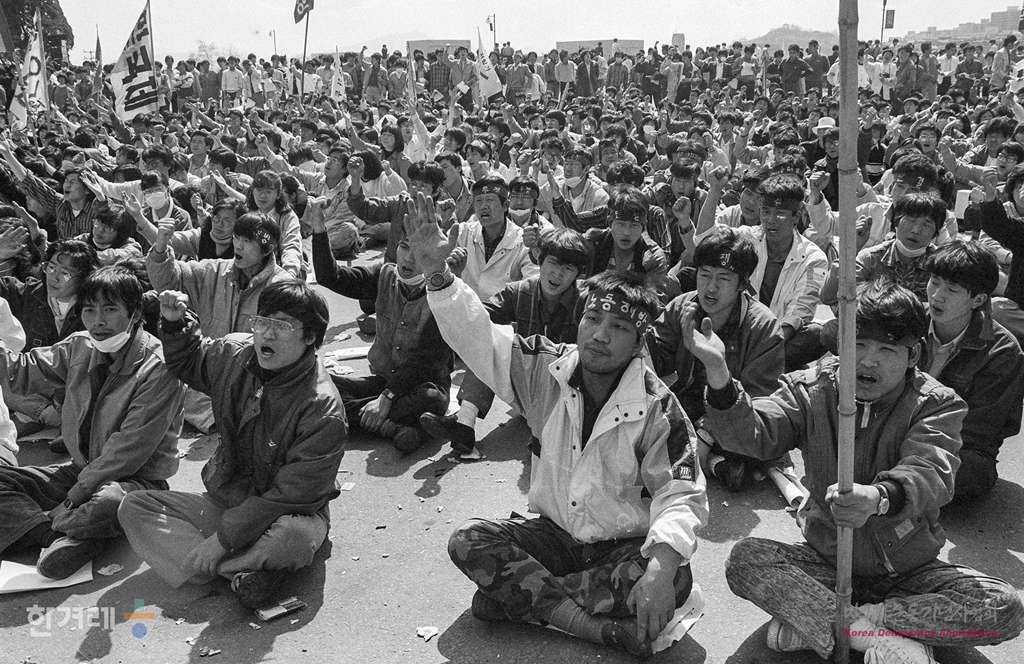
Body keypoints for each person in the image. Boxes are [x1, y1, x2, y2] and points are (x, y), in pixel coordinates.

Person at [404, 193, 708, 658]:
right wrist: (439, 276)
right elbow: (481, 337)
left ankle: (525, 598)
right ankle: (593, 627)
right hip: (555, 536)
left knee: (676, 575)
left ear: (638, 343)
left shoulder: (657, 406)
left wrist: (661, 568)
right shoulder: (544, 368)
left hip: (620, 547)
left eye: (618, 328)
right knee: (469, 541)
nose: (600, 335)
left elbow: (681, 494)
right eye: (593, 319)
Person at [692, 281, 1024, 662]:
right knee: (746, 560)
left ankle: (840, 624)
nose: (868, 361)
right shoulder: (812, 390)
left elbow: (932, 470)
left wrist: (879, 498)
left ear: (914, 354)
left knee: (1003, 605)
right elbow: (753, 434)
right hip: (826, 562)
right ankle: (874, 637)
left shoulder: (936, 404)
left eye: (886, 350)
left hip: (907, 571)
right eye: (859, 344)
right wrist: (720, 378)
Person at [119, 281, 346, 610]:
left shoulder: (323, 408)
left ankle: (219, 565)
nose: (267, 334)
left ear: (310, 337)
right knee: (134, 506)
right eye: (262, 322)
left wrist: (221, 541)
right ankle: (244, 572)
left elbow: (293, 495)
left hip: (286, 515)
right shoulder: (234, 354)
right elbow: (189, 362)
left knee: (293, 539)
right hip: (228, 500)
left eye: (282, 326)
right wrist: (175, 323)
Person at [0, 266, 185, 579]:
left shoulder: (159, 368)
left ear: (135, 313)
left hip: (133, 480)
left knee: (111, 502)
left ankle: (46, 530)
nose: (98, 321)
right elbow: (24, 370)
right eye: (89, 310)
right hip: (80, 469)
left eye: (110, 309)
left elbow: (127, 451)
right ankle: (56, 536)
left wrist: (72, 500)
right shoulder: (81, 345)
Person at [421, 227, 591, 458]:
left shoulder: (588, 303)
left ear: (578, 274)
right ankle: (464, 423)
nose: (558, 274)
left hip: (568, 394)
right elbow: (474, 320)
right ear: (540, 260)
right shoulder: (519, 291)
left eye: (568, 268)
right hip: (524, 385)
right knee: (486, 339)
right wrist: (451, 280)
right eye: (553, 263)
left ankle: (549, 434)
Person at [650, 227, 785, 490]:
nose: (711, 287)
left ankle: (703, 456)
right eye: (704, 275)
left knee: (761, 439)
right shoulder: (681, 307)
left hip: (733, 416)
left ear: (742, 284)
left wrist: (706, 434)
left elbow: (760, 401)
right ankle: (714, 464)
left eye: (723, 278)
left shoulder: (763, 327)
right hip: (685, 409)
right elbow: (653, 364)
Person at [311, 216, 451, 453]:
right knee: (321, 384)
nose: (408, 258)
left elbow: (423, 362)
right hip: (384, 379)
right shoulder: (385, 275)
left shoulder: (443, 294)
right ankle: (397, 428)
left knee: (431, 399)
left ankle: (354, 416)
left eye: (419, 252)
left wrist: (386, 398)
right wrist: (318, 229)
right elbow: (330, 277)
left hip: (421, 385)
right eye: (404, 246)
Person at [922, 241, 1024, 501]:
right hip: (893, 429)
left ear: (978, 299)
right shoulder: (908, 320)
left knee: (969, 472)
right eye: (934, 282)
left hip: (954, 444)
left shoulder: (1003, 351)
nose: (937, 296)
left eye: (952, 289)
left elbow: (979, 429)